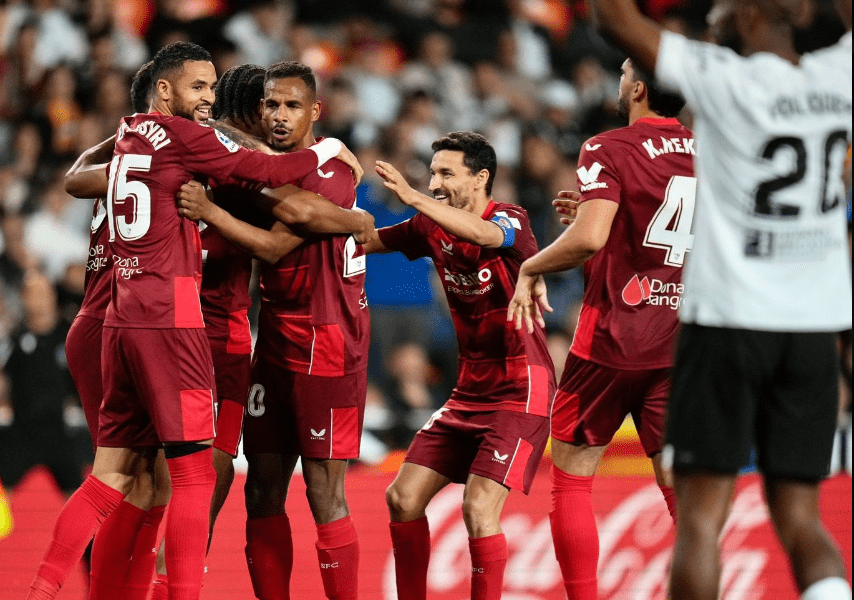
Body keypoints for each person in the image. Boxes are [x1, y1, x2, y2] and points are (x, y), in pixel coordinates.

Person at [27, 41, 362, 600]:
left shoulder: (141, 144)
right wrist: (355, 209)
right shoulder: (216, 161)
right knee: (191, 478)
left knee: (132, 482)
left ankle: (78, 591)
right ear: (249, 115)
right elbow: (292, 209)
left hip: (112, 317)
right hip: (187, 329)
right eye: (269, 109)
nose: (278, 121)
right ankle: (169, 590)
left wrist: (130, 132)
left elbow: (78, 179)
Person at [589, 1, 853, 600]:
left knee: (702, 519)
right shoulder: (840, 74)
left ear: (755, 13)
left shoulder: (720, 77)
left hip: (729, 323)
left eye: (724, 3)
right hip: (814, 328)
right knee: (803, 519)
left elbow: (612, 18)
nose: (712, 12)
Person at [178, 60, 371, 600]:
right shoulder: (262, 166)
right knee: (261, 491)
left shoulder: (329, 169)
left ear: (315, 111)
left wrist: (211, 209)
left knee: (323, 494)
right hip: (275, 343)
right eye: (271, 105)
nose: (280, 116)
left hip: (329, 343)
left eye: (292, 106)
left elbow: (280, 241)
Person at [508, 58, 692, 600]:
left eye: (624, 71)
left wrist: (531, 265)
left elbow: (589, 239)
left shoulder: (607, 146)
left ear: (638, 89)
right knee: (683, 493)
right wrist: (602, 216)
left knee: (571, 479)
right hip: (680, 340)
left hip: (612, 338)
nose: (618, 79)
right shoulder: (704, 150)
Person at [360, 132, 556, 600]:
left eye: (446, 173)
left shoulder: (510, 217)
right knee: (402, 498)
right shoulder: (430, 227)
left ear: (480, 177)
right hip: (469, 390)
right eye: (432, 174)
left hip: (520, 386)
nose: (434, 183)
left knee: (478, 507)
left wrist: (412, 198)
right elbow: (365, 239)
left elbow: (485, 235)